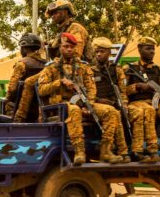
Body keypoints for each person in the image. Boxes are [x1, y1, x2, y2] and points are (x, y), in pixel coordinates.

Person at [37, 33, 122, 165]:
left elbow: (91, 88)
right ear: (60, 47)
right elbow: (41, 90)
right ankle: (79, 151)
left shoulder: (83, 66)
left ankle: (106, 150)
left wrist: (89, 104)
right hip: (61, 106)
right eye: (66, 46)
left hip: (83, 103)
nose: (69, 49)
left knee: (111, 111)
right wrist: (59, 82)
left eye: (72, 47)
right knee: (74, 110)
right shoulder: (51, 68)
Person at [90, 37, 145, 163]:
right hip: (99, 105)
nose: (99, 54)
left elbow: (122, 90)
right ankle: (122, 151)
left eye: (102, 51)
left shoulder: (116, 70)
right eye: (97, 51)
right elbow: (88, 92)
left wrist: (124, 104)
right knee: (116, 115)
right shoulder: (90, 71)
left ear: (109, 53)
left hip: (116, 103)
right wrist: (99, 101)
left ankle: (137, 151)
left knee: (137, 113)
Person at [4, 33, 46, 122]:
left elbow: (12, 89)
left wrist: (7, 99)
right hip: (41, 109)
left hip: (22, 110)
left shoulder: (22, 64)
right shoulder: (46, 64)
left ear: (24, 48)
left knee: (5, 104)